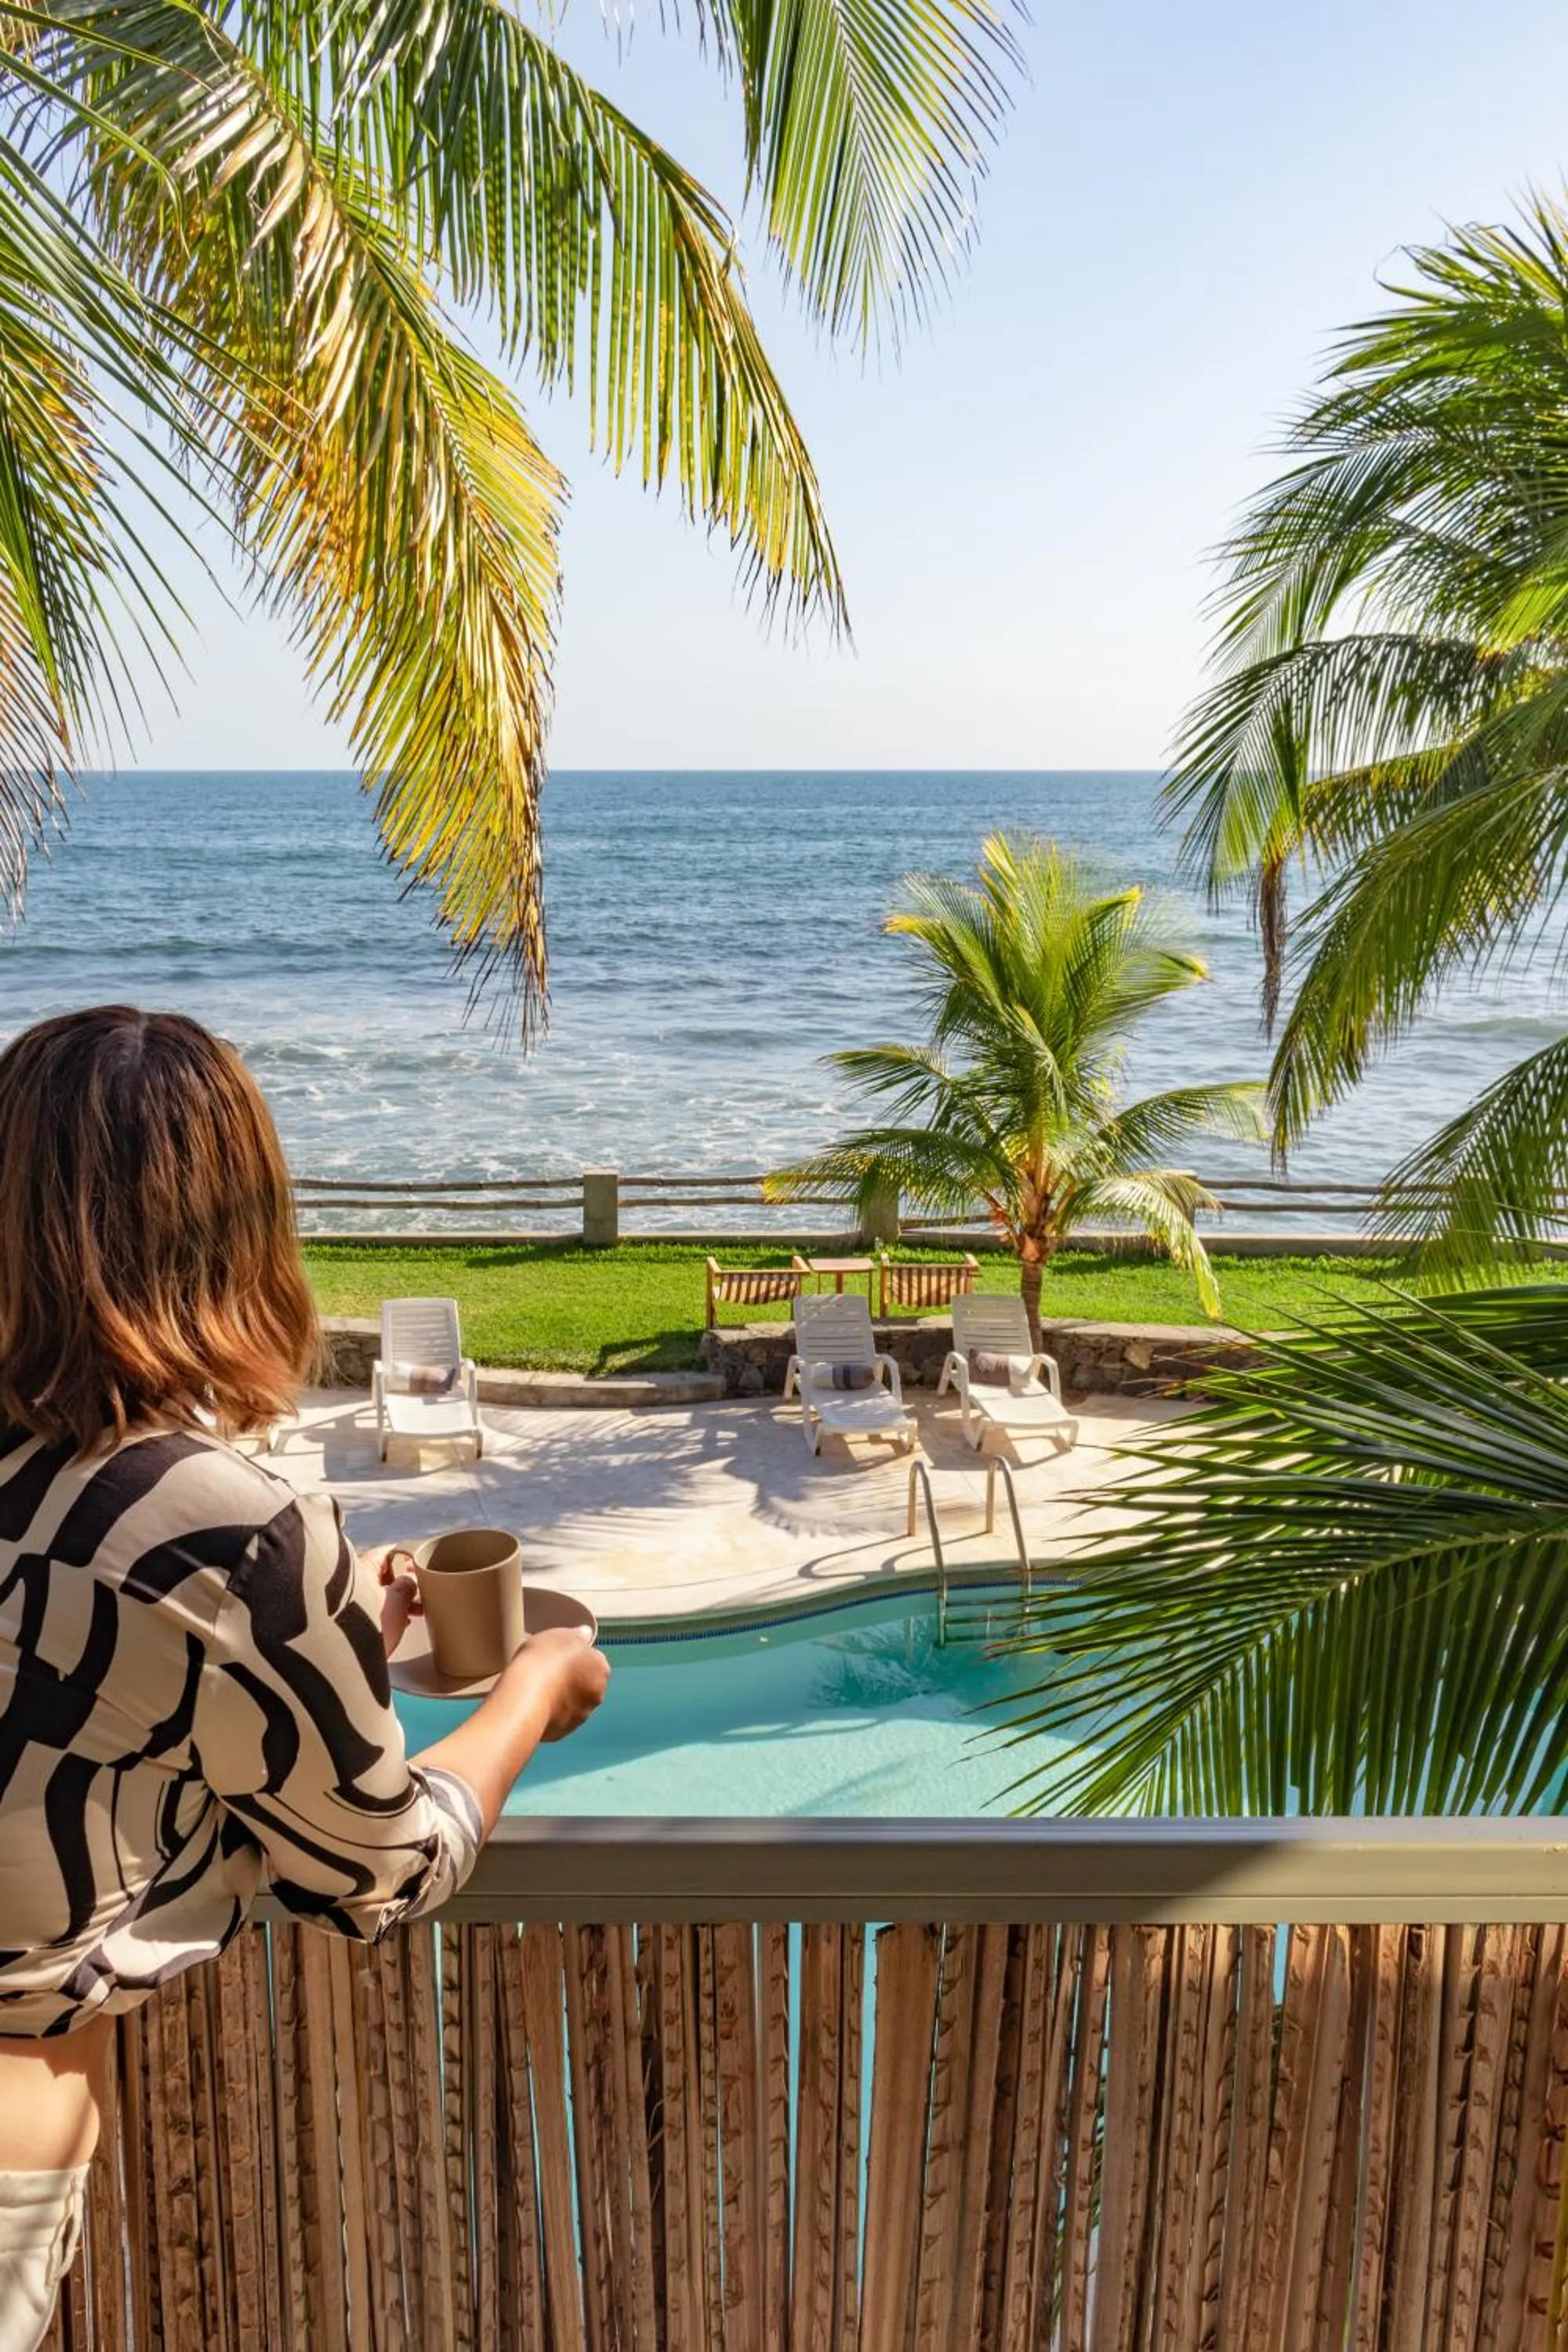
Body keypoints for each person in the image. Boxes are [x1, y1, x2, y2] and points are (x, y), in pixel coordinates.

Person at [0, 1007, 609, 2351]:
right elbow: (373, 1867)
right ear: (238, 1229)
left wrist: (323, 1649)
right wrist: (535, 1693)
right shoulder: (227, 1526)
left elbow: (73, 1700)